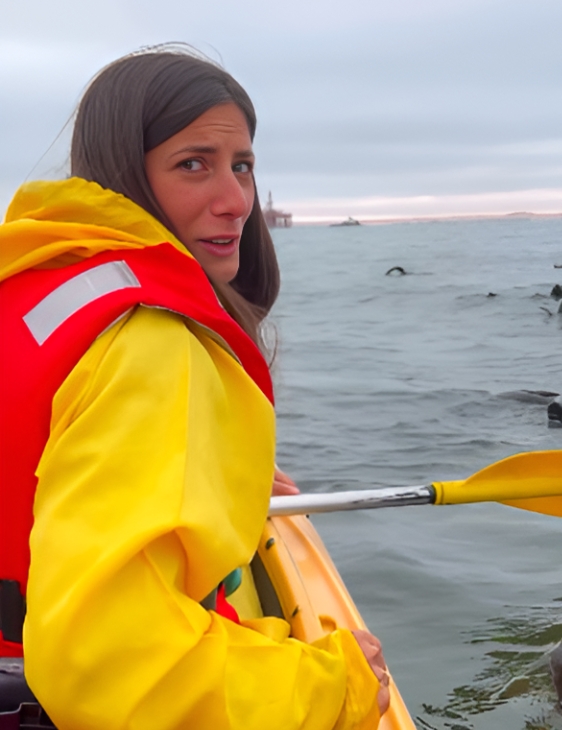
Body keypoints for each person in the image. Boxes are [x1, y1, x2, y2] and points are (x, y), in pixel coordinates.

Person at [0, 47, 387, 729]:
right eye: (193, 164)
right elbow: (114, 666)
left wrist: (213, 470)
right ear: (128, 170)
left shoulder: (36, 279)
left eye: (242, 166)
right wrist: (336, 685)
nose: (236, 201)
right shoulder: (152, 342)